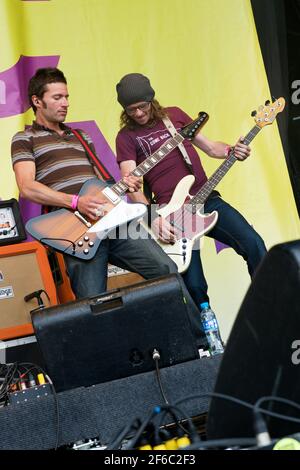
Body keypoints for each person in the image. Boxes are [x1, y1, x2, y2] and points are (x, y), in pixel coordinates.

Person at [11, 67, 178, 299]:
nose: (65, 103)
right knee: (93, 301)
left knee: (167, 270)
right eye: (57, 97)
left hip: (112, 220)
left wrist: (124, 185)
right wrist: (77, 202)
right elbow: (27, 186)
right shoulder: (24, 138)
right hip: (75, 229)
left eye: (67, 97)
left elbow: (100, 183)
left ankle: (197, 335)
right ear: (37, 101)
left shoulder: (81, 136)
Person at [115, 73, 267, 311]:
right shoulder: (126, 137)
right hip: (172, 215)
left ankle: (273, 308)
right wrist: (153, 219)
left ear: (151, 100)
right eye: (131, 110)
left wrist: (231, 149)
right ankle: (209, 340)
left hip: (206, 199)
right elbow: (131, 186)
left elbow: (210, 148)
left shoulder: (174, 116)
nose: (138, 114)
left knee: (254, 244)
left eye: (142, 106)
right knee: (194, 285)